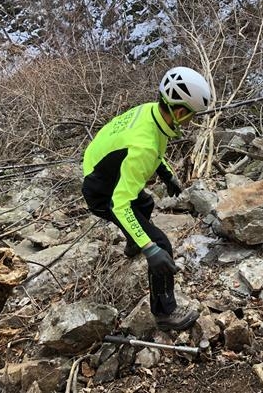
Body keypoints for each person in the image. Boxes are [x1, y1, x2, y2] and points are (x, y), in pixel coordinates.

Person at [81, 66, 211, 331]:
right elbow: (119, 204)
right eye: (191, 116)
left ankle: (132, 241)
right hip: (100, 190)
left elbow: (155, 146)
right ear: (179, 112)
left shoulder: (151, 111)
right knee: (161, 244)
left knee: (146, 203)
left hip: (101, 166)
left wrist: (167, 174)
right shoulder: (143, 147)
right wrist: (150, 248)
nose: (191, 122)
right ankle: (165, 313)